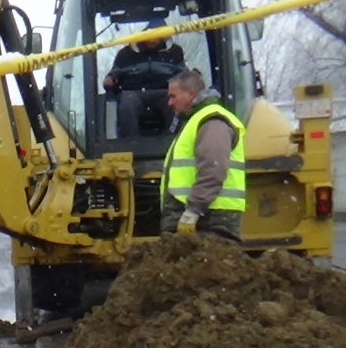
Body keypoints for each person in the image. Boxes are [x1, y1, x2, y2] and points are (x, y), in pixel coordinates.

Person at [160, 69, 246, 241]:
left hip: (210, 221)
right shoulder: (199, 120)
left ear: (191, 94)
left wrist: (194, 210)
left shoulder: (212, 121)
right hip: (206, 219)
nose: (169, 103)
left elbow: (213, 169)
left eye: (173, 96)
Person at [103, 18, 186, 137]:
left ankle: (172, 139)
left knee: (176, 101)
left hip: (164, 92)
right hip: (134, 92)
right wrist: (110, 78)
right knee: (127, 101)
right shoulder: (126, 54)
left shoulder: (175, 52)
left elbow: (183, 73)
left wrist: (192, 77)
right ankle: (130, 142)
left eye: (156, 37)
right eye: (150, 36)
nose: (152, 41)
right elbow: (115, 72)